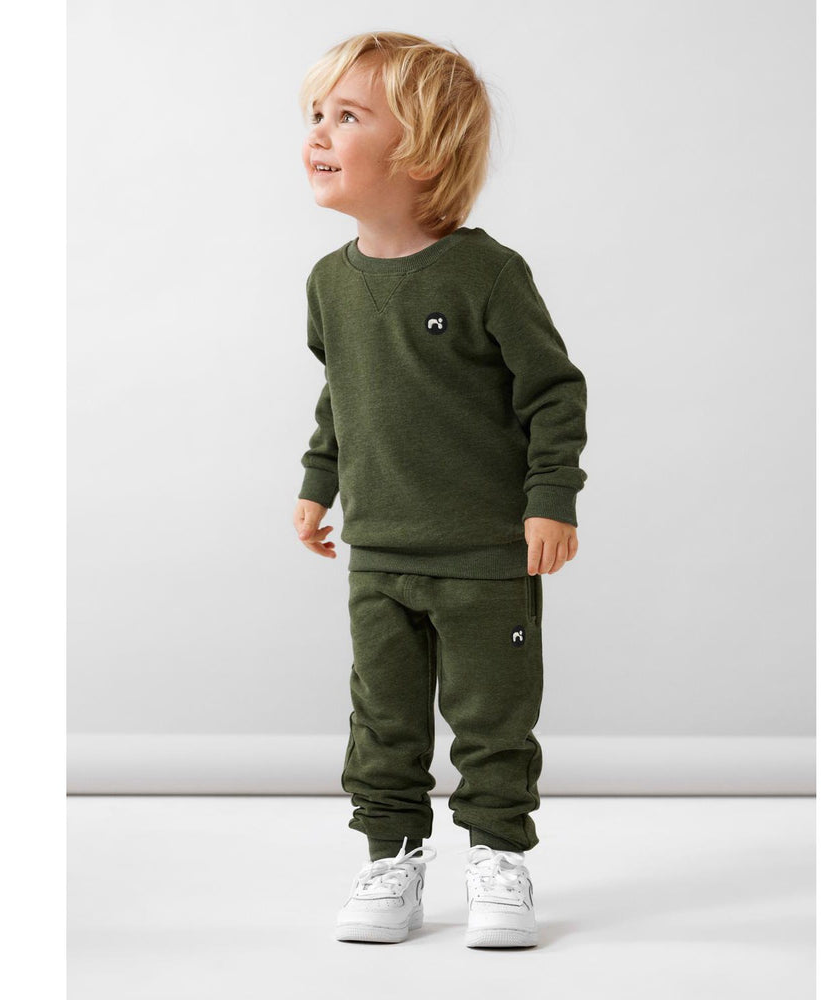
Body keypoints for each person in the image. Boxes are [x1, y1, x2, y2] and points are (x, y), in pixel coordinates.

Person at [293, 31, 588, 948]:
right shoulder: (329, 284)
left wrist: (551, 499)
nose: (317, 134)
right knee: (381, 722)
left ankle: (499, 860)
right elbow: (341, 395)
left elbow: (553, 393)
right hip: (379, 555)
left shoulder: (486, 274)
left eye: (347, 116)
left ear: (420, 150)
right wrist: (317, 483)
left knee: (493, 721)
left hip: (485, 558)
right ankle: (391, 860)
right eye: (315, 114)